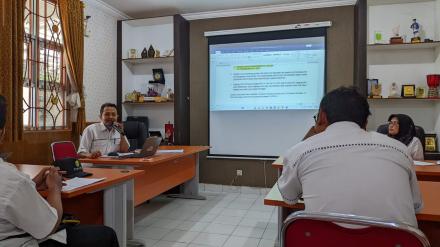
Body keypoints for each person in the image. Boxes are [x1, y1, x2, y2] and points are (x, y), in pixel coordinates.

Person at [277, 87, 422, 227]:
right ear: (365, 122)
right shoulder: (400, 150)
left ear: (321, 117)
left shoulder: (300, 151)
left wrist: (314, 132)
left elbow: (289, 198)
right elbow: (416, 206)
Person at [0, 95, 119, 246]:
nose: (110, 117)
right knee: (107, 234)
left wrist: (31, 183)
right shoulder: (12, 179)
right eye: (107, 114)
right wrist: (55, 189)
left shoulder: (117, 131)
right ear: (2, 132)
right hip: (22, 241)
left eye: (113, 114)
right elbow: (48, 226)